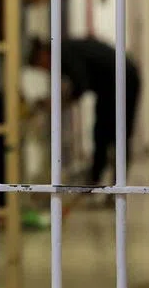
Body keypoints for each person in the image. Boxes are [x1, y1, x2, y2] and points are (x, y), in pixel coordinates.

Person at [26, 35, 141, 186]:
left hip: (124, 79)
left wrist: (55, 103)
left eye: (41, 66)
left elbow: (79, 85)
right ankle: (98, 179)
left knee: (118, 133)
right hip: (109, 85)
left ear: (43, 54)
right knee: (101, 132)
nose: (44, 69)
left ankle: (111, 183)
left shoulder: (63, 53)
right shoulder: (63, 50)